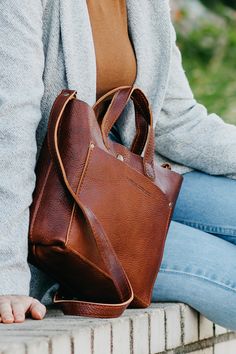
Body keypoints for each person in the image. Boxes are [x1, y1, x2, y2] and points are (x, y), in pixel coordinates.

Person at [0, 0, 236, 328]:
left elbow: (173, 117)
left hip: (128, 179)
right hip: (61, 212)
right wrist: (5, 273)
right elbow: (9, 128)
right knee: (230, 271)